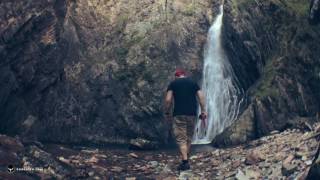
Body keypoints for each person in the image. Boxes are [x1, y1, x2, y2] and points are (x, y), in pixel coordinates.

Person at [164, 69, 207, 171]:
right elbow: (201, 97)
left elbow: (168, 99)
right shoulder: (193, 83)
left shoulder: (173, 84)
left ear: (176, 76)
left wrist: (167, 111)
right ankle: (186, 156)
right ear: (184, 75)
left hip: (179, 114)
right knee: (189, 136)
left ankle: (185, 162)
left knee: (181, 137)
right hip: (192, 114)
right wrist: (203, 111)